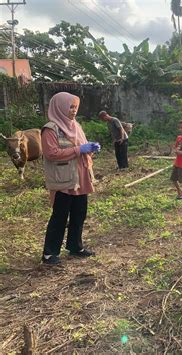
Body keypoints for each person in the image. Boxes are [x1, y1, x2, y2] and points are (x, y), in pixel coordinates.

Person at [41, 92, 100, 265]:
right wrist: (78, 150)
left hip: (81, 177)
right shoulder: (50, 129)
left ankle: (75, 246)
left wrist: (90, 149)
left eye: (75, 107)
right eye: (70, 107)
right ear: (59, 107)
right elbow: (51, 154)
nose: (73, 110)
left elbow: (81, 147)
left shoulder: (76, 126)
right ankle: (49, 253)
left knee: (79, 213)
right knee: (60, 216)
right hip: (64, 180)